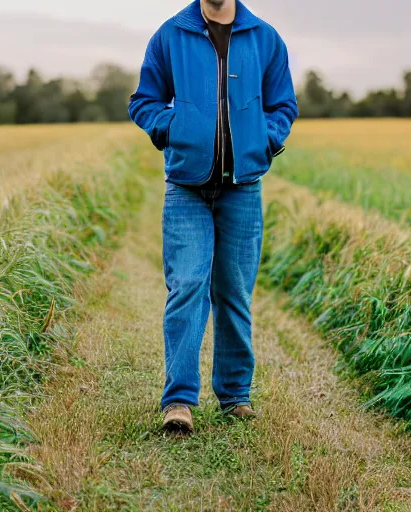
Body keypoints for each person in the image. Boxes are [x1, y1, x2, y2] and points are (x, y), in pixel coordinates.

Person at [128, 0, 298, 433]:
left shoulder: (265, 38)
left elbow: (283, 107)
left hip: (243, 188)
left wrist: (265, 138)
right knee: (186, 286)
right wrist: (173, 126)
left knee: (234, 292)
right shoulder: (170, 35)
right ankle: (179, 401)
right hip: (186, 187)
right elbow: (144, 102)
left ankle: (235, 396)